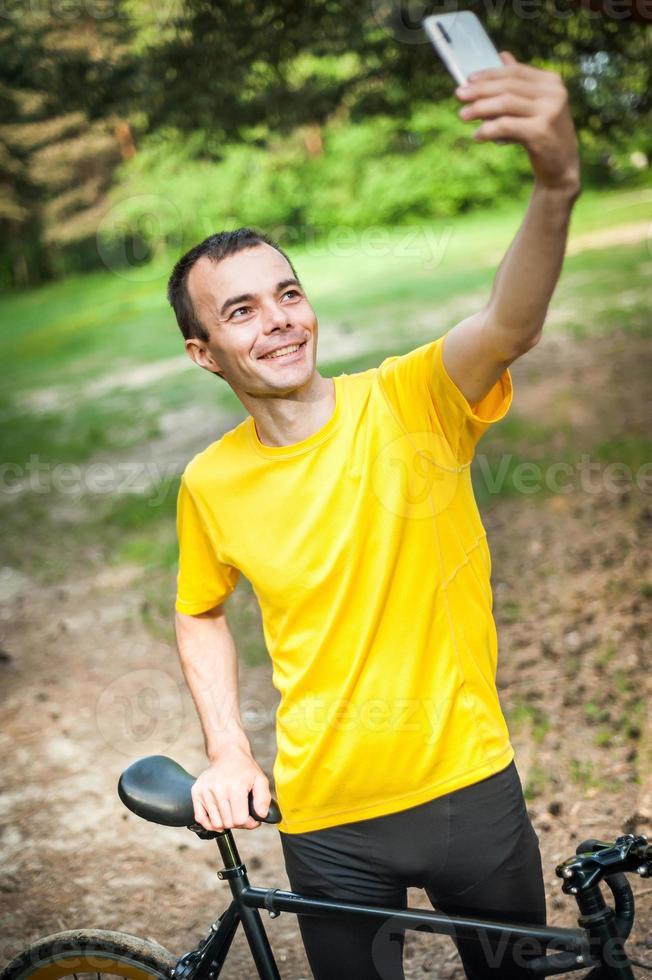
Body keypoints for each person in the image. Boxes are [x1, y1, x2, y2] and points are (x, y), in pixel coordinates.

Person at [169, 52, 580, 980]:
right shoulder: (209, 481)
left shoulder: (413, 402)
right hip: (328, 821)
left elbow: (509, 323)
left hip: (470, 792)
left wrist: (555, 185)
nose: (279, 320)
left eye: (289, 292)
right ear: (206, 354)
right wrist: (228, 750)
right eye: (241, 311)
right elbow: (198, 610)